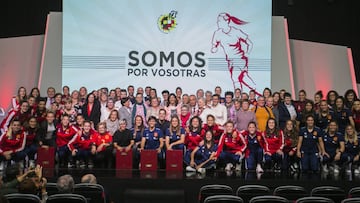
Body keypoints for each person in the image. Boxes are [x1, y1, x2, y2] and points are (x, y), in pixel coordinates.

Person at [211, 12, 256, 93]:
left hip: (240, 59)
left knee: (235, 78)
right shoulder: (217, 33)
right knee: (243, 77)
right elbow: (214, 45)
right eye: (217, 21)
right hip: (230, 61)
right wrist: (214, 48)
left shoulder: (236, 31)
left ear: (227, 21)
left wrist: (248, 53)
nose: (218, 23)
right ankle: (255, 89)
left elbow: (250, 43)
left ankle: (238, 98)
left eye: (220, 21)